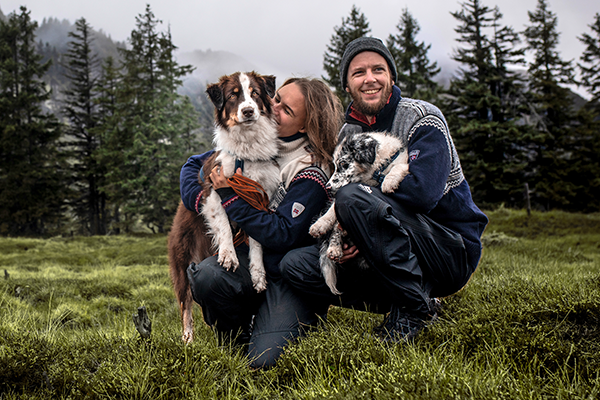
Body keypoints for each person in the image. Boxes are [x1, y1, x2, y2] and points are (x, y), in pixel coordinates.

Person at [280, 37, 489, 342]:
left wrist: (360, 205)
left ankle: (413, 308)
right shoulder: (347, 133)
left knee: (353, 196)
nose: (370, 79)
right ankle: (414, 299)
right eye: (358, 73)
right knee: (295, 266)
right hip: (382, 249)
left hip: (447, 249)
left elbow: (422, 194)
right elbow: (336, 195)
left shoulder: (423, 118)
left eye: (378, 69)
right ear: (348, 86)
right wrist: (352, 232)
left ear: (391, 76)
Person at [180, 77, 343, 368]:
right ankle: (235, 333)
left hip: (286, 275)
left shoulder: (311, 171)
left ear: (305, 125)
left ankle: (294, 319)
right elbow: (194, 163)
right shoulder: (260, 139)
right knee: (208, 276)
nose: (269, 105)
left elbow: (281, 234)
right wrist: (199, 199)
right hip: (252, 260)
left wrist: (230, 198)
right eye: (276, 98)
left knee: (263, 363)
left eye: (286, 109)